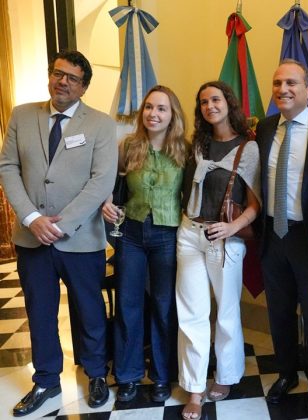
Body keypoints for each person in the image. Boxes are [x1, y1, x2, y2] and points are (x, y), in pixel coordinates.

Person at [0, 50, 117, 416]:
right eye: (57, 73)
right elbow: (8, 166)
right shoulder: (22, 114)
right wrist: (32, 217)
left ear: (84, 87)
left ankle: (96, 374)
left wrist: (60, 225)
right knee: (39, 312)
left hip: (80, 238)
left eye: (72, 78)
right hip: (31, 237)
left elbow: (101, 182)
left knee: (89, 310)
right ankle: (47, 380)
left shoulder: (101, 124)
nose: (62, 81)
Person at [255, 59, 308, 408]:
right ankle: (287, 372)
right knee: (279, 310)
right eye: (277, 83)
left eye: (291, 83)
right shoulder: (264, 128)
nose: (283, 89)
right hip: (273, 234)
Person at [177, 81, 260, 420]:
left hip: (224, 237)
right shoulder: (197, 144)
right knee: (192, 315)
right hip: (189, 234)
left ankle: (225, 376)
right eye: (203, 102)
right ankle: (195, 388)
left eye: (215, 99)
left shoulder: (248, 148)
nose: (209, 106)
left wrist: (231, 227)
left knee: (225, 313)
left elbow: (254, 205)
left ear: (228, 103)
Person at [102, 85, 187, 403]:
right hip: (132, 234)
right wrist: (106, 203)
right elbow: (109, 184)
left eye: (161, 108)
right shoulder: (128, 145)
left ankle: (163, 375)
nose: (153, 113)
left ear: (172, 114)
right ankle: (127, 375)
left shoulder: (185, 150)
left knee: (164, 307)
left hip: (168, 235)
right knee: (128, 304)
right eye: (149, 107)